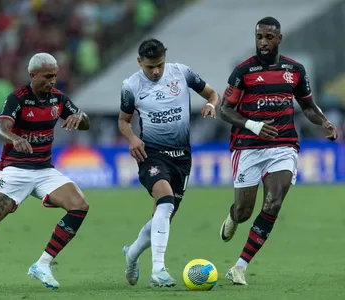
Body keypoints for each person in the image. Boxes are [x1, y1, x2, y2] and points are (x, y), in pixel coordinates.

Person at [0, 53, 91, 292]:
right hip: (15, 170)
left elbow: (85, 123)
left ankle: (43, 264)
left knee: (79, 205)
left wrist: (80, 117)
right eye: (47, 76)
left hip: (44, 170)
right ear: (33, 75)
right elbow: (0, 129)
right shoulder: (18, 99)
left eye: (55, 76)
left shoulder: (58, 99)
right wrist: (15, 139)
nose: (52, 81)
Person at [219, 17, 337, 285]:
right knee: (244, 211)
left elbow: (307, 105)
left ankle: (239, 266)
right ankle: (233, 215)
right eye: (259, 36)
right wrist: (253, 125)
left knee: (273, 202)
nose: (262, 42)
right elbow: (225, 109)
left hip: (283, 145)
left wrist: (324, 122)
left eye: (268, 37)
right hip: (248, 146)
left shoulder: (294, 70)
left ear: (279, 39)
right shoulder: (243, 71)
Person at [118, 38, 220, 287]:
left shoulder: (181, 73)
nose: (155, 72)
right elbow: (123, 121)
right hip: (151, 154)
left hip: (182, 157)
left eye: (159, 66)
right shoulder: (131, 86)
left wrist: (210, 104)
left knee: (162, 218)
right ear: (139, 62)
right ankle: (159, 271)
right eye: (149, 67)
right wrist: (132, 138)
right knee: (165, 201)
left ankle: (132, 254)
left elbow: (213, 93)